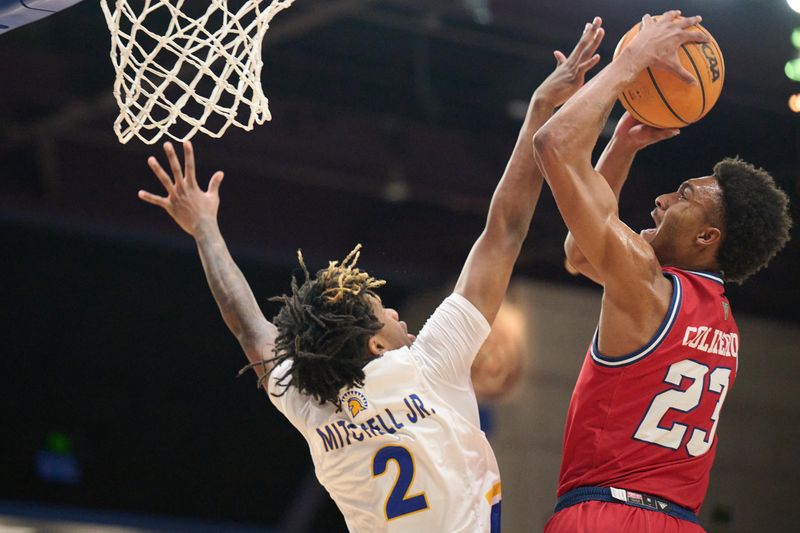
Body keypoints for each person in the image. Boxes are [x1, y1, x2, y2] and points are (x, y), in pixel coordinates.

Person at [137, 23, 605, 532]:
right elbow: (505, 231)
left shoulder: (312, 401)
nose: (398, 312)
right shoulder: (426, 365)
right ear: (376, 346)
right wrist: (538, 107)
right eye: (383, 311)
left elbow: (247, 324)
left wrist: (205, 231)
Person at [533, 12, 792, 533]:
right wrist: (622, 145)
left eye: (685, 197)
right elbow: (581, 255)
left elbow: (553, 144)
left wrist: (630, 64)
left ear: (705, 238)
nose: (663, 198)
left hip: (605, 514)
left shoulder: (651, 287)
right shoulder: (720, 321)